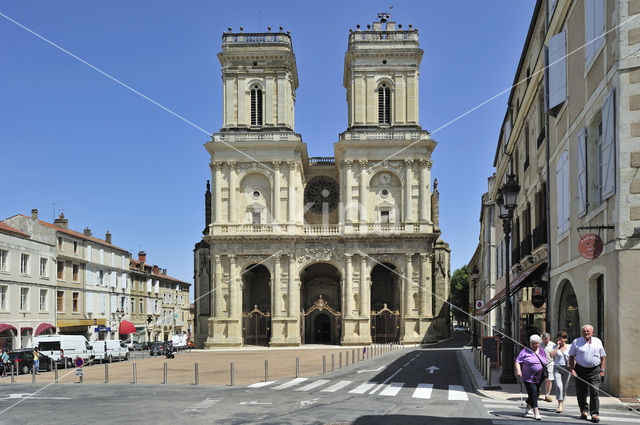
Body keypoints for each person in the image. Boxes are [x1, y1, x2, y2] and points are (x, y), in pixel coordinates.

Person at [569, 324, 606, 423]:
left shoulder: (598, 341)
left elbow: (602, 356)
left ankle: (594, 414)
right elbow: (571, 356)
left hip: (594, 370)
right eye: (584, 331)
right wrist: (572, 369)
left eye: (588, 331)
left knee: (594, 391)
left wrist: (602, 369)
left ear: (592, 332)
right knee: (581, 392)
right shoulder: (576, 342)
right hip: (580, 369)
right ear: (582, 332)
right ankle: (584, 411)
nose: (586, 333)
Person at [515, 334, 548, 421]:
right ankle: (536, 412)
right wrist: (519, 371)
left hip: (540, 376)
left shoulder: (542, 351)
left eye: (536, 343)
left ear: (539, 343)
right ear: (530, 343)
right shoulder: (525, 351)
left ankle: (528, 407)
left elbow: (546, 361)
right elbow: (518, 361)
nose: (534, 345)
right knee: (533, 392)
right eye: (533, 343)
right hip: (528, 376)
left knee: (536, 393)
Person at [550, 331, 571, 413]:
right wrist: (557, 347)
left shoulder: (570, 347)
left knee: (565, 387)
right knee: (559, 386)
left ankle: (562, 403)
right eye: (558, 338)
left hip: (567, 368)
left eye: (561, 338)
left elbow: (573, 357)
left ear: (565, 339)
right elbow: (552, 356)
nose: (559, 340)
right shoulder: (555, 346)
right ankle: (560, 405)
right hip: (557, 368)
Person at [541, 332, 555, 402]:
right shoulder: (539, 344)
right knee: (539, 379)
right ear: (542, 339)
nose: (546, 340)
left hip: (550, 363)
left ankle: (547, 395)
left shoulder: (553, 345)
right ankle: (538, 390)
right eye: (544, 339)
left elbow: (555, 353)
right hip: (540, 363)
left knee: (549, 380)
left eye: (547, 339)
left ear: (549, 338)